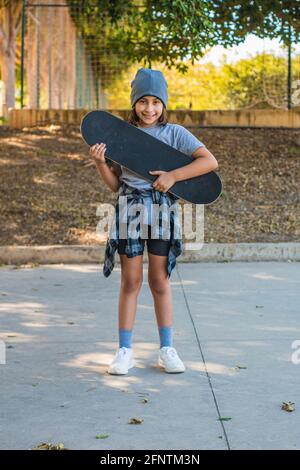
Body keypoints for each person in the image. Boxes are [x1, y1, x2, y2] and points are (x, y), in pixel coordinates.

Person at [89, 68, 218, 375]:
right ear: (134, 103)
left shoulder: (174, 134)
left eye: (155, 102)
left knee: (159, 281)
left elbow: (209, 162)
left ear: (164, 104)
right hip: (129, 209)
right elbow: (115, 184)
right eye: (143, 101)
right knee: (130, 281)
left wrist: (174, 176)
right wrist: (99, 164)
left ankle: (167, 349)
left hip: (162, 211)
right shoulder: (122, 136)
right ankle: (124, 351)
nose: (149, 108)